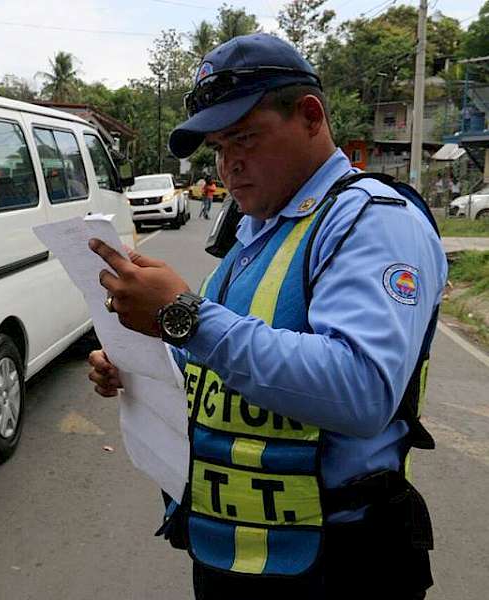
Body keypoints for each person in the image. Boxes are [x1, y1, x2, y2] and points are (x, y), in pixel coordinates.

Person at [87, 33, 444, 599]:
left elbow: (362, 390)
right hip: (234, 552)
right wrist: (139, 360)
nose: (229, 165)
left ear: (309, 116)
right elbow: (215, 353)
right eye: (219, 149)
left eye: (245, 138)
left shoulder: (373, 222)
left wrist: (183, 316)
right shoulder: (255, 233)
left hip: (340, 565)